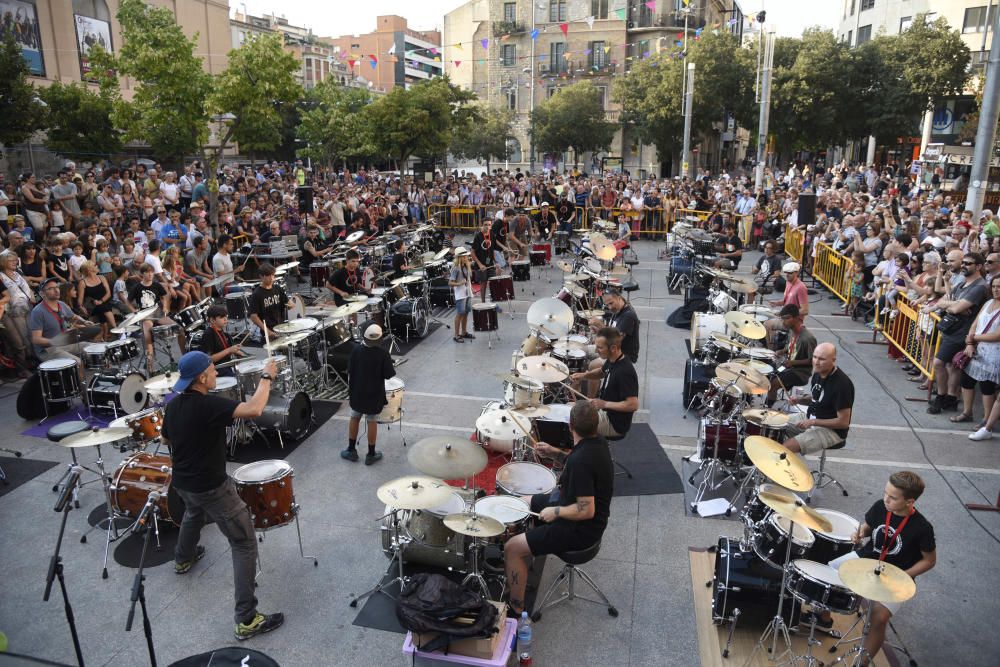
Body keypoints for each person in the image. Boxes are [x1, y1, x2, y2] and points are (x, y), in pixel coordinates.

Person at [161, 351, 285, 641]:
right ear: (202, 378)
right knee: (243, 542)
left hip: (183, 483)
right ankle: (247, 619)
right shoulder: (208, 405)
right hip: (211, 487)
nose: (216, 374)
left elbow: (165, 438)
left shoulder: (175, 405)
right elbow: (254, 409)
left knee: (194, 512)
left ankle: (183, 558)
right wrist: (266, 376)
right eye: (213, 370)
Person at [805, 472, 935, 663]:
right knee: (827, 573)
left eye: (892, 497)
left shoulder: (923, 528)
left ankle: (862, 662)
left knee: (878, 618)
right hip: (866, 558)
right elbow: (867, 528)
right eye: (885, 493)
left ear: (910, 501)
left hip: (896, 575)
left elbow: (929, 561)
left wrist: (903, 576)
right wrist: (858, 534)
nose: (886, 499)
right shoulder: (880, 507)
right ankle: (823, 619)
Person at [503, 400, 613, 616]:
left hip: (579, 530)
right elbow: (576, 461)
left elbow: (586, 509)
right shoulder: (598, 443)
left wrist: (555, 512)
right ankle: (530, 558)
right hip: (575, 510)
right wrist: (553, 452)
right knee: (524, 501)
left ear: (570, 426)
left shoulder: (582, 460)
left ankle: (516, 608)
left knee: (512, 547)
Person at [926, 253, 988, 414]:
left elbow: (955, 308)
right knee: (952, 366)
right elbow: (946, 300)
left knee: (938, 363)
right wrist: (952, 304)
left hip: (962, 333)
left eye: (968, 263)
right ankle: (951, 399)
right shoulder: (963, 283)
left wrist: (952, 305)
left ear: (978, 266)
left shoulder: (980, 286)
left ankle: (941, 396)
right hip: (953, 329)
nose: (964, 266)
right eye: (964, 263)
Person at [781, 342, 854, 454]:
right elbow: (819, 399)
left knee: (785, 448)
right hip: (810, 417)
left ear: (833, 360)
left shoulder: (842, 385)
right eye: (815, 357)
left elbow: (843, 422)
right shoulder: (818, 373)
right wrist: (799, 400)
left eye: (822, 359)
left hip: (831, 431)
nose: (816, 362)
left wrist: (813, 422)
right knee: (774, 423)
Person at [570, 327, 639, 437]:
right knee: (570, 408)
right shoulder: (613, 360)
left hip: (614, 423)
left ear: (613, 348)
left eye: (600, 348)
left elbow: (633, 404)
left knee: (573, 421)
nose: (596, 351)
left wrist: (605, 404)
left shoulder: (625, 371)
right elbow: (602, 372)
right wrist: (584, 375)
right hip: (604, 411)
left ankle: (582, 451)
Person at [342, 324, 396, 465]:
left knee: (354, 417)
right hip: (374, 394)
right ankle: (371, 454)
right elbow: (389, 375)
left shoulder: (356, 351)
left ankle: (351, 450)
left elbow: (349, 370)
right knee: (372, 420)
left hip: (357, 392)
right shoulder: (383, 354)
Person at [28, 277, 97, 378]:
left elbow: (73, 316)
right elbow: (36, 339)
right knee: (77, 363)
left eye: (57, 287)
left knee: (94, 349)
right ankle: (81, 390)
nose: (56, 290)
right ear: (42, 294)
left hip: (65, 343)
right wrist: (55, 341)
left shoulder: (62, 304)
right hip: (48, 349)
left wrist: (84, 321)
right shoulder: (37, 312)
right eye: (50, 288)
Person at [958, 274, 1000, 439]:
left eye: (999, 286)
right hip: (976, 349)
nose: (996, 289)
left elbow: (997, 335)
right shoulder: (988, 302)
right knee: (967, 380)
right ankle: (967, 412)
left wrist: (974, 338)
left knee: (987, 386)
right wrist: (969, 343)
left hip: (994, 353)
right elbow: (975, 323)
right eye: (994, 286)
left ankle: (986, 420)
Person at [127, 263, 188, 374]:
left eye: (151, 272)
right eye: (147, 272)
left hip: (157, 313)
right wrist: (133, 310)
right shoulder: (137, 287)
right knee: (148, 338)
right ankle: (151, 369)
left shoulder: (156, 285)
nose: (150, 274)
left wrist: (165, 306)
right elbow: (128, 300)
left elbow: (164, 296)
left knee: (179, 329)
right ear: (142, 273)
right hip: (145, 316)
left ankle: (186, 358)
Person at [766, 304, 818, 405]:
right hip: (788, 367)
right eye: (782, 319)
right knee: (768, 373)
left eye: (786, 318)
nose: (783, 322)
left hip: (800, 373)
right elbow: (791, 346)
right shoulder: (791, 331)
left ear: (796, 318)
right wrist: (782, 351)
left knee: (773, 384)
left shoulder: (808, 338)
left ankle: (767, 410)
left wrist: (792, 362)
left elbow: (813, 360)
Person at [765, 261, 810, 345]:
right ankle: (776, 343)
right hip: (785, 315)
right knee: (766, 316)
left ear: (796, 273)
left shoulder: (801, 288)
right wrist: (778, 303)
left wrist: (786, 314)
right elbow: (786, 301)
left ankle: (771, 350)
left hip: (793, 320)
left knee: (767, 324)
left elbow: (805, 310)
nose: (787, 275)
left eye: (790, 273)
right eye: (786, 273)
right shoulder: (788, 283)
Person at [198, 305, 246, 374]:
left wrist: (241, 354)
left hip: (227, 366)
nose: (225, 319)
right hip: (216, 370)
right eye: (222, 317)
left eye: (226, 316)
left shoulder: (226, 334)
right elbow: (209, 359)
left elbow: (230, 351)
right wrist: (229, 350)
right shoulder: (208, 334)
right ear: (212, 320)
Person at [248, 263, 289, 342]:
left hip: (281, 327)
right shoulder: (257, 294)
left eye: (273, 275)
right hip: (268, 330)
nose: (271, 278)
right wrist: (267, 331)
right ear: (261, 276)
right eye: (268, 276)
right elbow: (253, 316)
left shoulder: (277, 288)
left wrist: (291, 305)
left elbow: (287, 302)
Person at [449, 247, 474, 343]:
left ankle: (464, 332)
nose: (466, 257)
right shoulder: (455, 268)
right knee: (460, 314)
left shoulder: (465, 266)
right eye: (465, 256)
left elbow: (469, 278)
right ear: (460, 257)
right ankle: (456, 335)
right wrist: (459, 283)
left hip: (467, 293)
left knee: (466, 313)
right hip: (460, 295)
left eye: (466, 256)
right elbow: (450, 283)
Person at [471, 219, 495, 303]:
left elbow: (493, 250)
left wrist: (496, 262)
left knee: (493, 282)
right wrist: (480, 264)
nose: (487, 227)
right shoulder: (478, 236)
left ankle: (493, 301)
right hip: (481, 264)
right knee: (483, 283)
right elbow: (472, 252)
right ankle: (483, 302)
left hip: (490, 263)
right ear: (482, 225)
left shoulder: (492, 234)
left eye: (489, 225)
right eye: (485, 225)